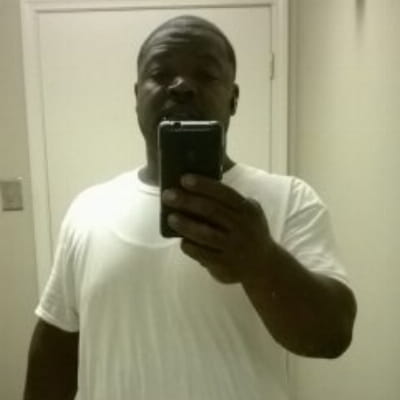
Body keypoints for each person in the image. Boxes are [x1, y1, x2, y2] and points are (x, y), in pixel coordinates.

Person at [23, 15, 357, 400]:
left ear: (233, 99)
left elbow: (331, 337)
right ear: (137, 96)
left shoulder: (289, 199)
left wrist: (261, 261)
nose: (181, 86)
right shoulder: (89, 210)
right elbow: (55, 351)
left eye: (206, 74)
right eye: (160, 73)